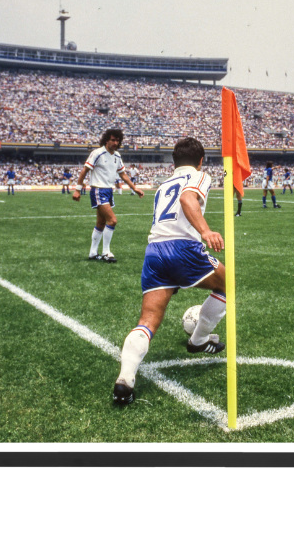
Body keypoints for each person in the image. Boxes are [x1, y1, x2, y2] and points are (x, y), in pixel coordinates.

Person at [112, 137, 227, 406]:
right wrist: (205, 231)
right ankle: (198, 340)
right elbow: (188, 198)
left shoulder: (164, 184)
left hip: (154, 252)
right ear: (200, 161)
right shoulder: (199, 176)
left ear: (173, 162)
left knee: (148, 320)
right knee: (227, 284)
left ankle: (124, 381)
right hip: (182, 248)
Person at [72, 129, 144, 262]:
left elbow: (123, 174)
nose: (115, 143)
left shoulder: (117, 156)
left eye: (117, 140)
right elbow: (84, 170)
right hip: (98, 190)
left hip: (109, 191)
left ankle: (93, 253)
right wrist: (77, 189)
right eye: (112, 140)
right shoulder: (98, 153)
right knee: (112, 220)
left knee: (101, 223)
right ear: (106, 140)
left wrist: (135, 188)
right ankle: (106, 252)